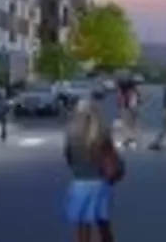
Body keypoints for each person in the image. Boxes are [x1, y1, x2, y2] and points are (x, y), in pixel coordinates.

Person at [64, 98, 122, 242]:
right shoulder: (101, 134)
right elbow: (113, 158)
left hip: (79, 184)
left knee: (82, 225)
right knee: (103, 224)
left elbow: (68, 158)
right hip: (100, 183)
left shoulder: (71, 134)